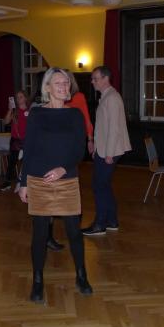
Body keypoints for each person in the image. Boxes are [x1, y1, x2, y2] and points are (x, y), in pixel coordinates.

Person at [18, 67, 92, 303]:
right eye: (58, 83)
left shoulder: (75, 115)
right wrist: (23, 182)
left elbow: (80, 150)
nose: (64, 87)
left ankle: (81, 275)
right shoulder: (37, 114)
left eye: (66, 83)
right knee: (40, 233)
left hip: (67, 179)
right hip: (39, 180)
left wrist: (63, 168)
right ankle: (37, 280)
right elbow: (29, 149)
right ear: (47, 87)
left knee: (74, 232)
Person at [81, 65, 131, 236]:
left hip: (110, 150)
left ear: (105, 79)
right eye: (92, 79)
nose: (92, 81)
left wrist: (108, 153)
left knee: (99, 186)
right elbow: (104, 127)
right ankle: (111, 221)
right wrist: (96, 146)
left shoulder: (112, 98)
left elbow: (114, 129)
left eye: (95, 78)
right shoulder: (107, 96)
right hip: (104, 149)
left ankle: (100, 224)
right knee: (103, 185)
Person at [0, 89, 30, 192]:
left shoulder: (31, 110)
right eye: (17, 97)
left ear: (25, 98)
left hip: (27, 140)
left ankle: (24, 182)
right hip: (15, 140)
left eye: (21, 97)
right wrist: (9, 110)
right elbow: (5, 122)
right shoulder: (14, 111)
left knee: (27, 162)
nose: (18, 99)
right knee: (12, 162)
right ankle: (8, 182)